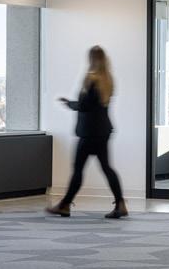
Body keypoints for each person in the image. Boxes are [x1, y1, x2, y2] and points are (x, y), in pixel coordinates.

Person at [47, 46, 127, 219]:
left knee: (78, 169)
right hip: (103, 131)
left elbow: (84, 106)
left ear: (91, 59)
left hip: (89, 132)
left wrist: (69, 103)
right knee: (106, 168)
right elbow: (96, 105)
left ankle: (65, 205)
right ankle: (120, 204)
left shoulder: (91, 78)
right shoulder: (108, 79)